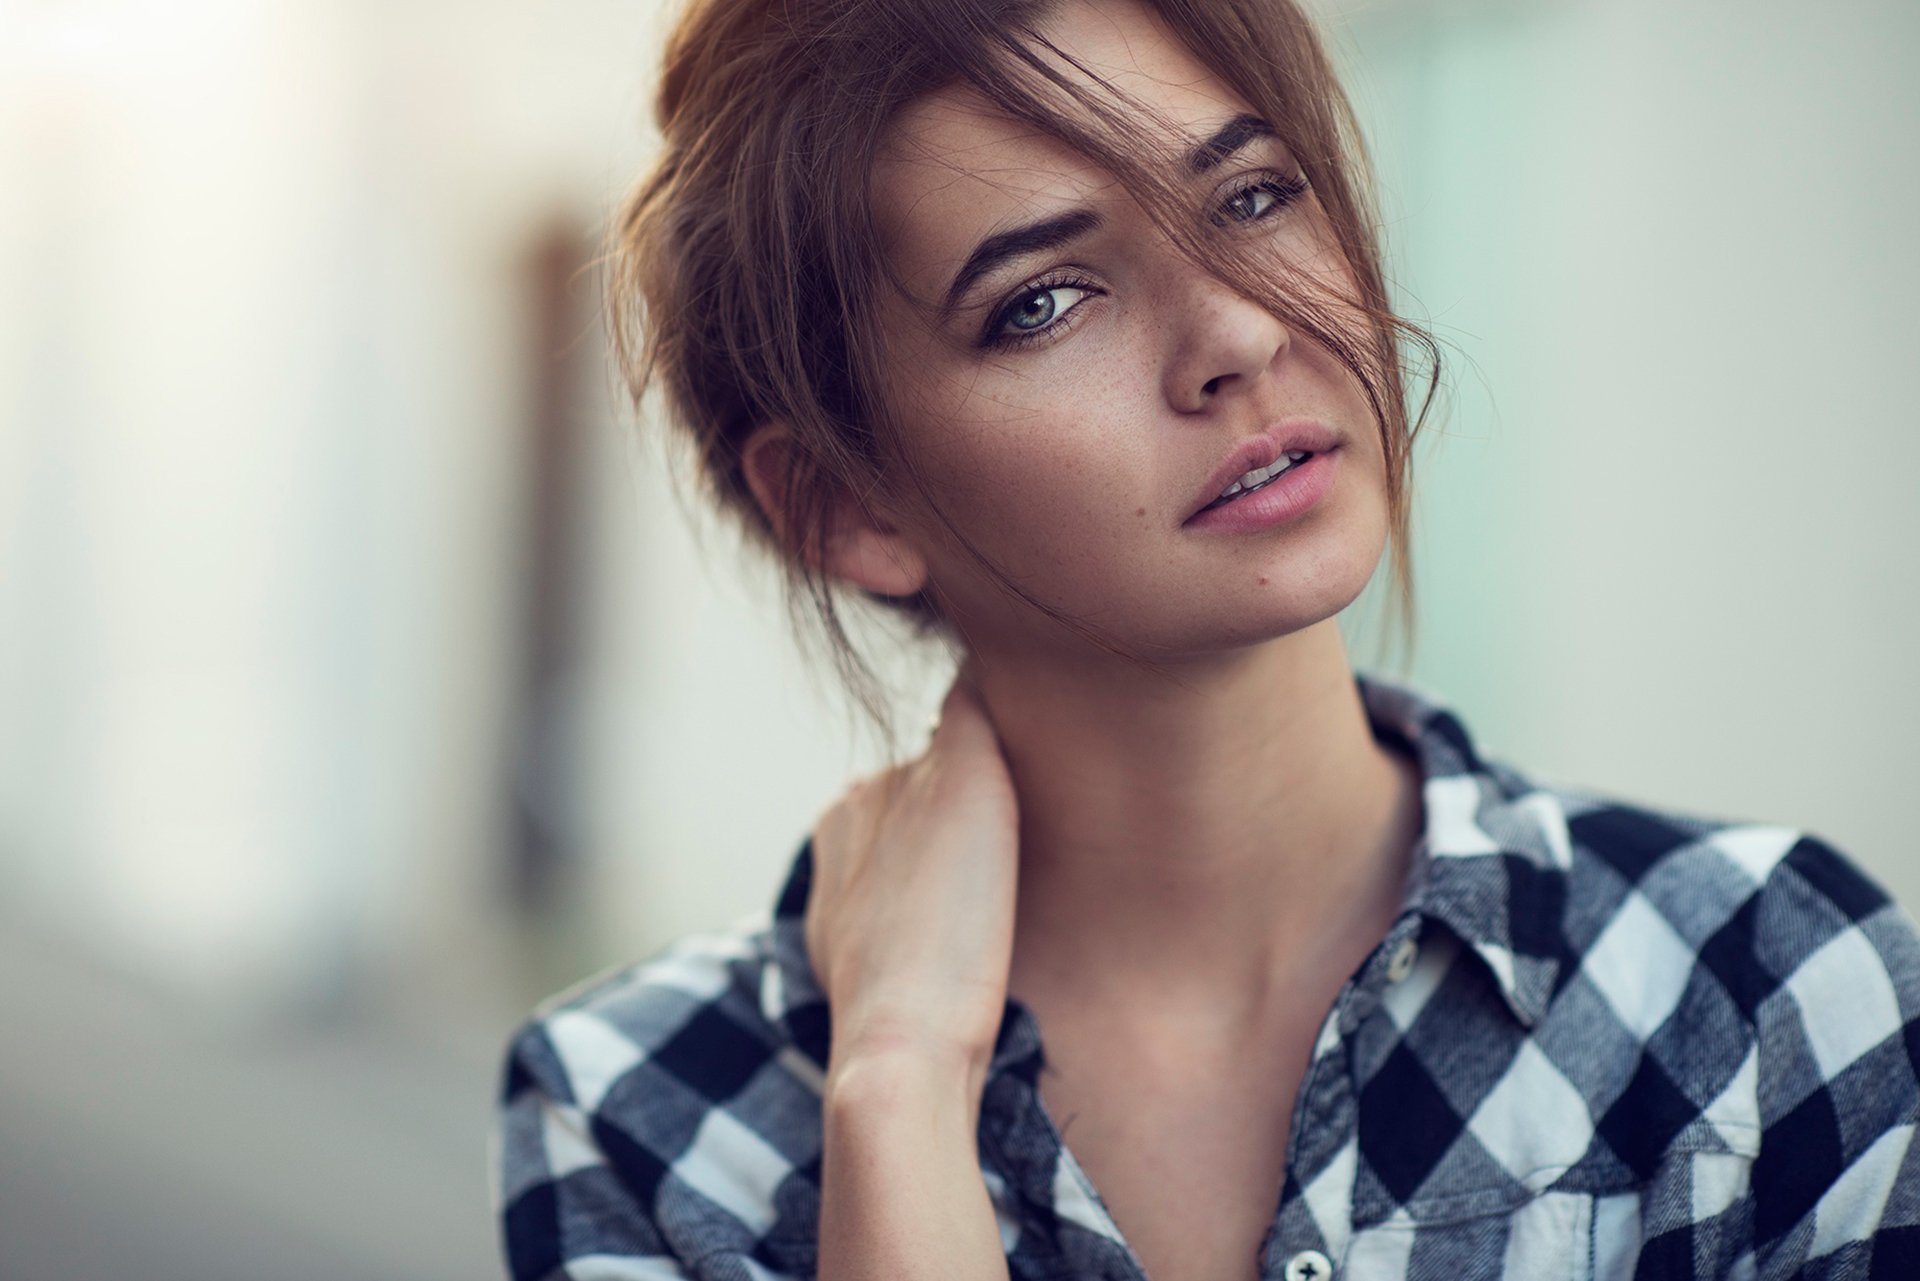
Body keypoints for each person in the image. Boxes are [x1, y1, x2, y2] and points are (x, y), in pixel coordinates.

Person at [490, 0, 1920, 1276]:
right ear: (845, 501)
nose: (1235, 330)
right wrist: (898, 1082)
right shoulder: (643, 1118)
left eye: (1251, 196)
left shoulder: (1763, 992)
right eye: (1043, 301)